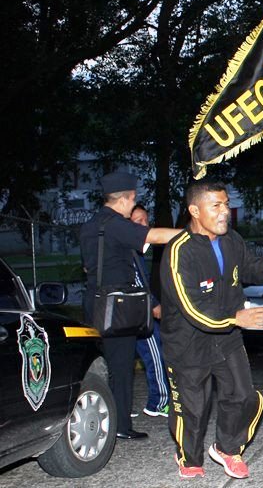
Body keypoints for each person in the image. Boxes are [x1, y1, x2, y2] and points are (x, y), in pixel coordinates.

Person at [159, 179, 263, 480]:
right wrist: (236, 319)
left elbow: (248, 267)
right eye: (216, 205)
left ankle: (228, 448)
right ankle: (189, 457)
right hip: (188, 343)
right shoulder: (179, 252)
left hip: (227, 339)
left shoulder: (232, 239)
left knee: (244, 397)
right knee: (193, 410)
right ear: (194, 210)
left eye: (226, 204)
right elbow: (192, 309)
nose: (224, 212)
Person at [79, 171, 181, 440]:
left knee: (101, 365)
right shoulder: (116, 223)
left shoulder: (90, 225)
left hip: (93, 301)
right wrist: (194, 233)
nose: (133, 205)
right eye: (133, 200)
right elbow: (154, 235)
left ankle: (101, 419)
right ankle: (120, 426)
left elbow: (88, 266)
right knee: (121, 367)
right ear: (126, 198)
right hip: (116, 306)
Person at [130, 204, 170, 417]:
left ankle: (121, 408)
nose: (144, 225)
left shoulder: (135, 250)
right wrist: (153, 304)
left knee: (123, 361)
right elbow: (137, 282)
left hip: (125, 312)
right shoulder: (128, 250)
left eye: (145, 220)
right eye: (138, 221)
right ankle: (159, 402)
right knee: (154, 354)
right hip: (137, 313)